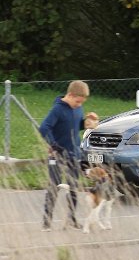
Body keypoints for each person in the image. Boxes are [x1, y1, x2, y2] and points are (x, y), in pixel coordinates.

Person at [39, 80, 99, 231]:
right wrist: (53, 145)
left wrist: (87, 123)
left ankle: (72, 219)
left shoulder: (78, 108)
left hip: (73, 154)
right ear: (70, 95)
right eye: (78, 101)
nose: (79, 105)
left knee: (73, 188)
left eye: (81, 103)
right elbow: (44, 128)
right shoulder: (57, 109)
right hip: (57, 155)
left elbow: (76, 124)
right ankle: (47, 222)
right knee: (54, 187)